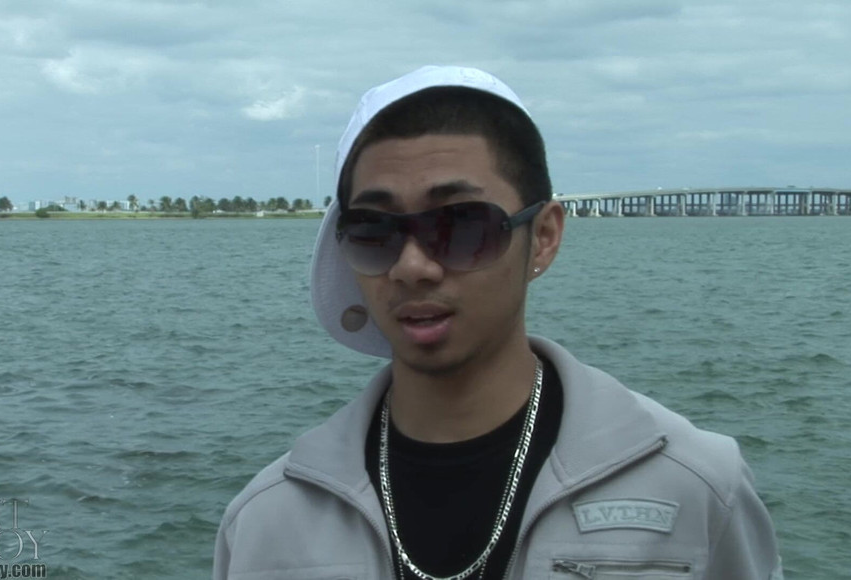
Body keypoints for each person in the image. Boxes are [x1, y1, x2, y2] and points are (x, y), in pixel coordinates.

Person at [213, 65, 783, 580]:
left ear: (544, 236)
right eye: (373, 230)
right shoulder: (267, 520)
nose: (412, 267)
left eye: (462, 225)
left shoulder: (697, 486)